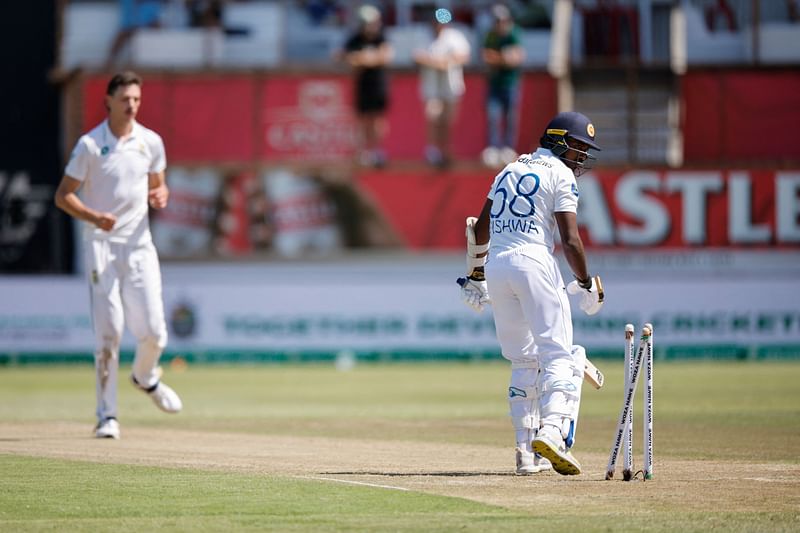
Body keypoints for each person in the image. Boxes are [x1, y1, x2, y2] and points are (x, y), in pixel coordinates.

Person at [457, 111, 604, 476]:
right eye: (578, 147)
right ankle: (554, 433)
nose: (581, 157)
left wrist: (475, 276)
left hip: (498, 266)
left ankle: (526, 453)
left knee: (523, 360)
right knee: (557, 354)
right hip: (534, 260)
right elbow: (570, 240)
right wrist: (585, 283)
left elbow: (481, 228)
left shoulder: (508, 169)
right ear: (557, 140)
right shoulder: (560, 174)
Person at [54, 71, 182, 440]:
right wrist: (95, 217)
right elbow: (63, 196)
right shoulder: (90, 146)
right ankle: (107, 416)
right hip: (101, 246)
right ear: (108, 101)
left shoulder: (150, 143)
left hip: (140, 246)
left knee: (155, 333)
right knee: (109, 332)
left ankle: (145, 376)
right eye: (125, 99)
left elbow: (158, 186)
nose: (132, 106)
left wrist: (161, 196)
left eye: (137, 100)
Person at [413, 8, 471, 168]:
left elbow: (464, 56)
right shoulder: (424, 37)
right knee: (433, 116)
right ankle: (433, 150)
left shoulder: (455, 37)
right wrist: (438, 63)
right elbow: (418, 56)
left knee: (448, 120)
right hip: (432, 86)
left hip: (451, 85)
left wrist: (444, 62)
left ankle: (445, 150)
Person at [340, 4, 393, 168]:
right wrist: (369, 58)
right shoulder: (355, 39)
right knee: (362, 121)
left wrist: (361, 58)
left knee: (377, 120)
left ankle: (377, 151)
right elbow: (343, 57)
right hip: (362, 86)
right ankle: (364, 152)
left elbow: (385, 57)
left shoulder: (381, 38)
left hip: (378, 85)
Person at [481, 4, 525, 168]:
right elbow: (486, 56)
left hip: (510, 84)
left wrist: (497, 58)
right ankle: (493, 148)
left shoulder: (514, 34)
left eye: (503, 20)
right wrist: (504, 58)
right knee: (493, 117)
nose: (500, 24)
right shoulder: (491, 36)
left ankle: (508, 148)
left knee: (510, 117)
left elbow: (516, 58)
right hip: (494, 84)